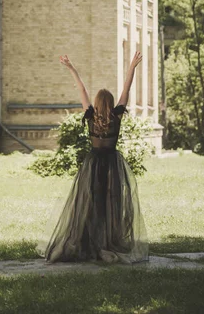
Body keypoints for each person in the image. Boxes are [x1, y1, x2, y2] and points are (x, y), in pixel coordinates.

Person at [38, 51, 149, 264]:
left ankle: (91, 241)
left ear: (97, 103)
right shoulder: (116, 116)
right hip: (112, 164)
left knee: (92, 203)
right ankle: (108, 241)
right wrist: (132, 67)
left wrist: (71, 68)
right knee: (112, 203)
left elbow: (82, 89)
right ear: (110, 102)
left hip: (94, 164)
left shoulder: (90, 116)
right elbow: (126, 89)